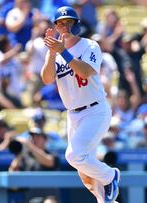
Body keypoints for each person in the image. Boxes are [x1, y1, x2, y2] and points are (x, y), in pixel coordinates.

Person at [41, 6, 119, 203]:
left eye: (69, 22)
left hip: (95, 110)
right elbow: (47, 79)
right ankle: (104, 200)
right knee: (83, 171)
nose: (65, 26)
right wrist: (52, 53)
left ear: (76, 24)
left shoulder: (90, 46)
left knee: (74, 156)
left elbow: (85, 71)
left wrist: (62, 51)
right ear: (56, 26)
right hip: (73, 114)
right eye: (61, 23)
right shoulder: (55, 52)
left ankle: (111, 176)